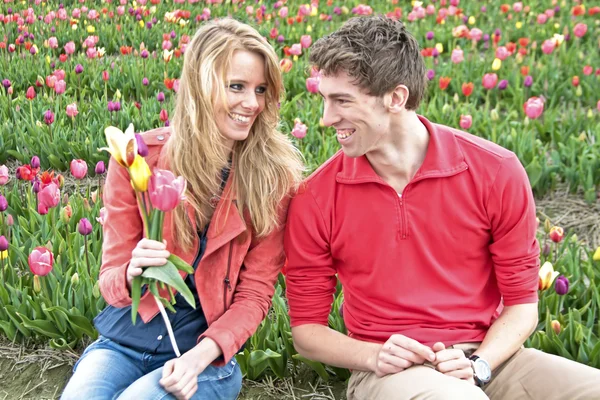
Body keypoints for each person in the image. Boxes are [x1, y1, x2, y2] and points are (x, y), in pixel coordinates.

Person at [284, 15, 600, 400]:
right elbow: (307, 332)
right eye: (324, 99)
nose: (326, 118)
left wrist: (479, 365)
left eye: (341, 101)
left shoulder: (496, 171)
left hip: (494, 360)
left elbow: (522, 307)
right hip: (391, 372)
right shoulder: (316, 197)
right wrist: (375, 355)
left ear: (396, 98)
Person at [62, 18, 303, 400]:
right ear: (199, 86)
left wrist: (198, 359)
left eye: (260, 90)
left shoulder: (272, 179)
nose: (252, 104)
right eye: (236, 87)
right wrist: (131, 272)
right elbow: (110, 280)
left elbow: (255, 295)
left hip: (203, 356)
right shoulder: (138, 159)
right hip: (123, 342)